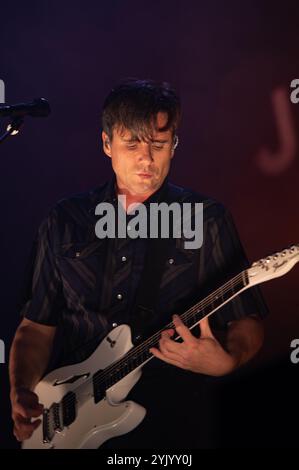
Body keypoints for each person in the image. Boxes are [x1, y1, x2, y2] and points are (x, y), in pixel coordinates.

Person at [9, 79, 268, 448]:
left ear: (174, 146)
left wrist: (229, 360)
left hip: (172, 422)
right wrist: (20, 390)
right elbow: (35, 328)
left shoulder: (207, 219)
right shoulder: (64, 220)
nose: (146, 158)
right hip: (68, 423)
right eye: (132, 144)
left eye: (159, 145)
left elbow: (247, 319)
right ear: (106, 144)